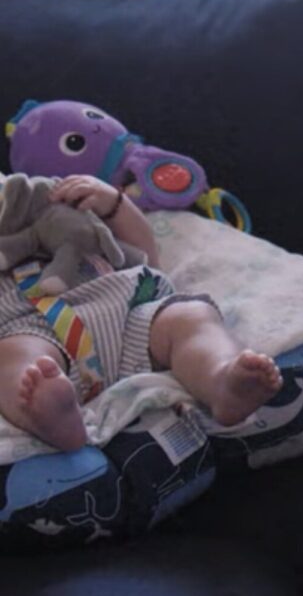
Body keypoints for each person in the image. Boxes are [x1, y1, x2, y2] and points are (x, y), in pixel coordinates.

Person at [0, 174, 282, 452]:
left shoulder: (62, 211)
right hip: (35, 330)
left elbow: (146, 253)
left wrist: (114, 204)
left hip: (130, 311)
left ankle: (221, 378)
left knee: (191, 316)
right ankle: (50, 415)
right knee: (17, 360)